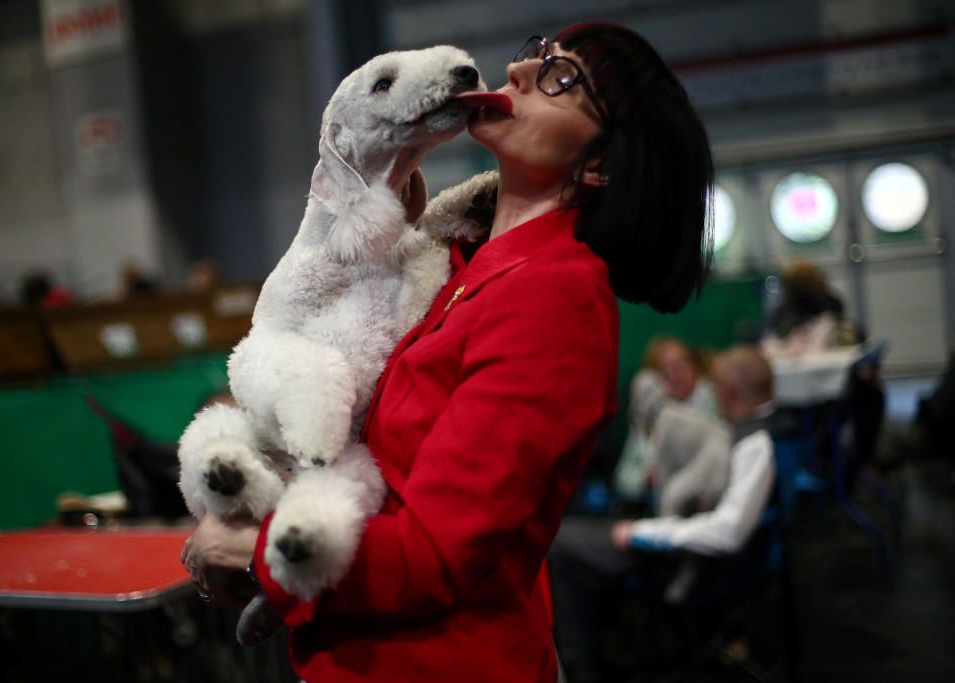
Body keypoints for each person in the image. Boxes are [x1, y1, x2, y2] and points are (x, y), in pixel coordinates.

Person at [181, 22, 714, 682]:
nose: (519, 74)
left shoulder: (557, 294)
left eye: (562, 79)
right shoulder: (454, 263)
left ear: (601, 161)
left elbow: (434, 550)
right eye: (533, 56)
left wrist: (255, 554)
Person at [548, 346, 787, 682]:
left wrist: (644, 533)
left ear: (728, 392)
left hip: (688, 556)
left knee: (560, 546)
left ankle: (578, 665)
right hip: (686, 537)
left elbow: (728, 531)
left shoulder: (755, 443)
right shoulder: (773, 430)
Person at [612, 336, 720, 506]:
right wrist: (644, 480)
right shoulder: (649, 420)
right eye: (664, 371)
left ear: (694, 367)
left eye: (679, 366)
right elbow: (623, 477)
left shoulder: (716, 408)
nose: (674, 376)